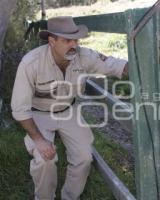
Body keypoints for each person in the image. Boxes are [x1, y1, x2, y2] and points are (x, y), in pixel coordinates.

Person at [11, 16, 128, 200]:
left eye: (76, 39)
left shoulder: (83, 55)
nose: (74, 44)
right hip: (38, 114)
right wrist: (40, 141)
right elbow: (20, 110)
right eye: (67, 40)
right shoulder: (30, 63)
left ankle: (70, 196)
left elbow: (113, 65)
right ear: (52, 41)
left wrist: (144, 62)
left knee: (84, 157)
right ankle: (44, 197)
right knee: (44, 160)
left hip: (68, 111)